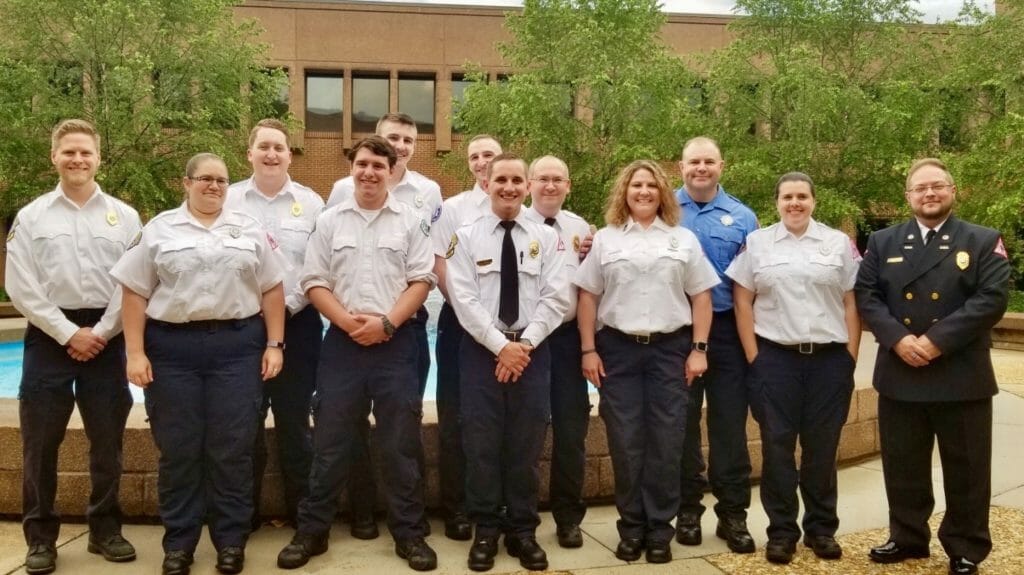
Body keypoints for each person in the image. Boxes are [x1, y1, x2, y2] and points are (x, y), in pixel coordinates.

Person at [111, 153, 285, 575]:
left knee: (233, 450)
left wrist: (275, 345)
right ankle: (180, 545)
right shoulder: (158, 230)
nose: (214, 187)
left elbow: (273, 288)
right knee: (179, 450)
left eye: (222, 180)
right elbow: (134, 293)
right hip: (174, 351)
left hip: (236, 347)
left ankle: (230, 541)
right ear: (186, 183)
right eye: (205, 179)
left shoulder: (250, 229)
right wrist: (135, 352)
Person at [276, 136, 438, 572]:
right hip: (343, 345)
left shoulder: (412, 221)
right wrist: (349, 324)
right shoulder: (329, 221)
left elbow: (422, 280)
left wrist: (386, 324)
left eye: (378, 166)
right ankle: (312, 532)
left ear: (391, 171)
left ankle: (409, 534)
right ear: (353, 168)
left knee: (399, 443)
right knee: (329, 443)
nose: (369, 173)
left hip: (396, 342)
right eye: (362, 164)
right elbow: (314, 281)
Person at [855, 158, 1010, 575]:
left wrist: (936, 341)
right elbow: (867, 295)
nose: (929, 194)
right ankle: (907, 537)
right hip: (901, 370)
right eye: (920, 188)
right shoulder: (883, 241)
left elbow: (992, 299)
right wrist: (899, 338)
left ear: (952, 191)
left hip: (961, 375)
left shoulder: (982, 240)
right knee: (903, 465)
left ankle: (965, 546)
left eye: (937, 186)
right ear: (908, 196)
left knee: (967, 468)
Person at [6, 118, 142, 575]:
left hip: (106, 337)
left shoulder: (125, 217)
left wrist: (101, 332)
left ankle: (105, 530)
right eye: (69, 152)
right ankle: (40, 538)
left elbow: (134, 282)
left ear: (98, 157)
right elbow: (20, 286)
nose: (78, 159)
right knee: (39, 446)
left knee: (108, 445)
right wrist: (68, 333)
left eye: (85, 152)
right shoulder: (32, 217)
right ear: (54, 157)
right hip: (49, 338)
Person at [575, 160, 717, 565]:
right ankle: (631, 528)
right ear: (625, 191)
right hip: (617, 351)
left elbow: (701, 297)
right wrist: (588, 349)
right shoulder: (605, 239)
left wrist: (699, 349)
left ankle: (659, 529)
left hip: (670, 351)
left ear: (663, 194)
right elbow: (588, 296)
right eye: (636, 185)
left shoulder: (683, 239)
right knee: (625, 442)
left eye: (651, 186)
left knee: (667, 443)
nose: (643, 192)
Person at [726, 172, 860, 565]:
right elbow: (742, 302)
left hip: (829, 360)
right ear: (777, 202)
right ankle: (781, 531)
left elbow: (852, 301)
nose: (795, 203)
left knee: (822, 448)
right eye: (787, 197)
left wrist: (850, 356)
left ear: (814, 201)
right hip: (776, 359)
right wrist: (755, 356)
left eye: (802, 196)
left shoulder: (838, 243)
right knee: (777, 447)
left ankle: (822, 529)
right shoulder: (757, 242)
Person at [446, 153, 569, 572]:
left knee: (526, 447)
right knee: (481, 446)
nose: (509, 187)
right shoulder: (464, 237)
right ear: (487, 183)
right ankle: (485, 530)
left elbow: (556, 298)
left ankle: (523, 531)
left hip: (532, 352)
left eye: (518, 180)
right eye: (502, 179)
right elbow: (463, 300)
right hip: (482, 353)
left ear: (528, 186)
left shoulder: (548, 238)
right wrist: (502, 347)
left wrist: (524, 345)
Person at [326, 112, 442, 539]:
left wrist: (389, 324)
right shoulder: (340, 194)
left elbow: (424, 269)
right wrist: (347, 320)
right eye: (394, 137)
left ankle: (408, 524)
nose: (403, 144)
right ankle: (360, 510)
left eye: (408, 140)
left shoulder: (427, 192)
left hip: (403, 327)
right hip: (348, 328)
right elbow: (326, 268)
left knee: (402, 427)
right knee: (345, 427)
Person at [226, 118, 324, 529]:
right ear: (249, 153)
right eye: (263, 146)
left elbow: (321, 265)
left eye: (279, 147)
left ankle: (302, 514)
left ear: (289, 154)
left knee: (294, 422)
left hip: (298, 325)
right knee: (243, 425)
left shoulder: (313, 203)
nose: (271, 154)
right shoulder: (227, 200)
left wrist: (285, 306)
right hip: (242, 328)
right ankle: (241, 518)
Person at [674, 136, 758, 553]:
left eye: (708, 161)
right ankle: (687, 510)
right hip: (677, 331)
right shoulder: (664, 210)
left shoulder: (743, 217)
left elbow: (753, 284)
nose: (700, 168)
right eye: (693, 162)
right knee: (683, 427)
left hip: (726, 330)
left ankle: (733, 515)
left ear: (721, 166)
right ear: (681, 166)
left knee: (729, 426)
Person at [430, 134, 503, 541]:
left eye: (488, 154)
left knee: (500, 417)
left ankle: (497, 503)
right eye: (474, 156)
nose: (480, 162)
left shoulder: (520, 207)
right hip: (460, 323)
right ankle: (456, 506)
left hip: (509, 331)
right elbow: (438, 262)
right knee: (455, 415)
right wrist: (464, 308)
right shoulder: (454, 208)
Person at [523, 155, 593, 549]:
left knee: (571, 431)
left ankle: (568, 517)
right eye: (543, 179)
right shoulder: (516, 223)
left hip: (565, 341)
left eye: (558, 180)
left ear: (568, 185)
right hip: (528, 341)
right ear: (531, 183)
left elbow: (586, 290)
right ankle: (521, 516)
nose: (550, 186)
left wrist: (588, 347)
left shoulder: (579, 229)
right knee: (525, 432)